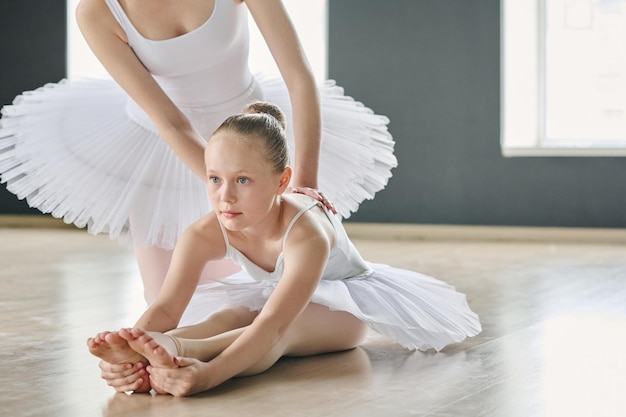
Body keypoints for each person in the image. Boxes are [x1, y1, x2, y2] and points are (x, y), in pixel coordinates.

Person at [0, 0, 396, 302]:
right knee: (167, 302)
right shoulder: (97, 12)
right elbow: (172, 123)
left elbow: (300, 78)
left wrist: (302, 186)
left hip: (250, 139)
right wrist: (221, 186)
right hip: (163, 150)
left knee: (258, 295)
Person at [87, 102, 481, 397]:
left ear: (282, 182)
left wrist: (208, 376)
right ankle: (161, 357)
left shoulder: (307, 232)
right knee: (231, 314)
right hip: (275, 299)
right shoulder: (205, 232)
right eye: (214, 179)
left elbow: (273, 324)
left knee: (282, 331)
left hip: (342, 308)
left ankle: (179, 351)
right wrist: (131, 347)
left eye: (243, 180)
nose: (225, 197)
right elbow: (167, 308)